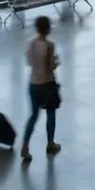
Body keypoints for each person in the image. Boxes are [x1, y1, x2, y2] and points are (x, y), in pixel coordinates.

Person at [21, 16, 60, 163]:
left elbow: (29, 62)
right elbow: (50, 67)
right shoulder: (49, 45)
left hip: (33, 83)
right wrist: (56, 61)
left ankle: (25, 145)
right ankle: (50, 143)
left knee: (33, 116)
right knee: (51, 112)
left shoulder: (31, 43)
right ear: (48, 29)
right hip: (47, 84)